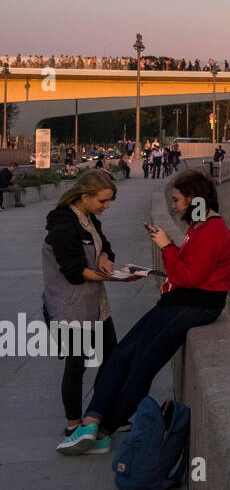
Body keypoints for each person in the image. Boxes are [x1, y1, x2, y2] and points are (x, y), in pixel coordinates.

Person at [58, 169, 230, 454]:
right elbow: (187, 268)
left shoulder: (213, 230)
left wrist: (165, 245)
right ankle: (91, 420)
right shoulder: (200, 227)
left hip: (196, 304)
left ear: (194, 200)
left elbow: (189, 277)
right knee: (121, 354)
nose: (174, 205)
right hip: (179, 301)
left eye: (178, 200)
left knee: (143, 363)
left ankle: (103, 431)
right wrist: (169, 250)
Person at [43, 169, 144, 451]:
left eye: (109, 201)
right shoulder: (64, 226)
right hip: (70, 307)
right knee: (76, 366)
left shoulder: (89, 219)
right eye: (103, 201)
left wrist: (105, 257)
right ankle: (73, 425)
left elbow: (105, 247)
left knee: (112, 358)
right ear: (84, 195)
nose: (106, 207)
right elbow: (75, 272)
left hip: (97, 305)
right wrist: (118, 278)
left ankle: (99, 415)